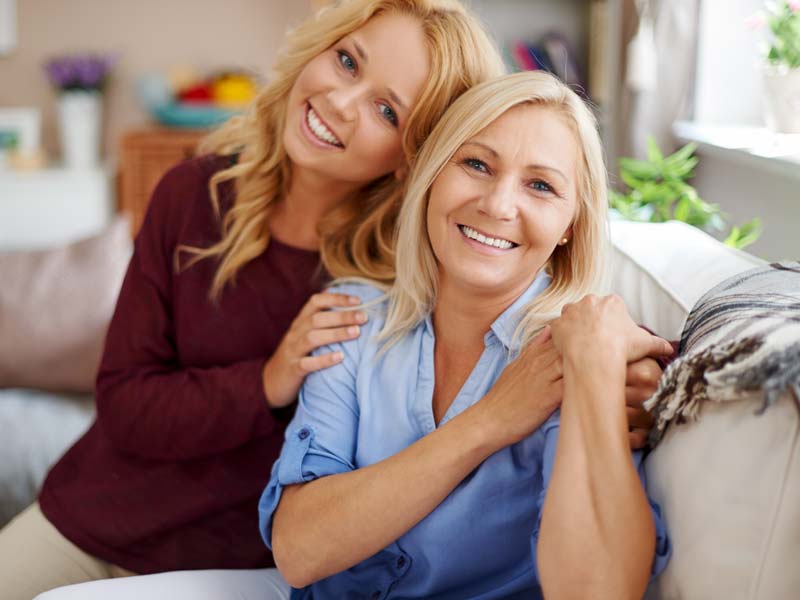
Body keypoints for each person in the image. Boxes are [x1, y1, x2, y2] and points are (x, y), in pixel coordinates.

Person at [0, 2, 508, 598]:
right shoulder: (192, 193)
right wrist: (267, 382)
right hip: (91, 522)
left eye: (386, 109)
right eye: (347, 61)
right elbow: (123, 401)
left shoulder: (407, 282)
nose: (340, 102)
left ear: (412, 161)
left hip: (244, 569)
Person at [257, 71, 672, 598]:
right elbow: (298, 551)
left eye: (540, 186)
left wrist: (594, 368)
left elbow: (595, 589)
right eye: (476, 164)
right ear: (431, 175)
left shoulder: (576, 358)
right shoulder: (353, 316)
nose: (498, 205)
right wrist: (491, 421)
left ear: (570, 224)